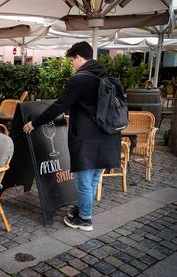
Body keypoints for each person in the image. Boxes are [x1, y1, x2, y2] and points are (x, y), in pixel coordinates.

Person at [23, 41, 121, 231]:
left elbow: (59, 105)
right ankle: (82, 210)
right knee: (92, 180)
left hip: (88, 139)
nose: (72, 65)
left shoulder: (81, 79)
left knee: (84, 181)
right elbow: (92, 107)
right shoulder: (103, 76)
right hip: (108, 137)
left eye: (72, 61)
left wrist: (34, 123)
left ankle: (85, 219)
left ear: (78, 58)